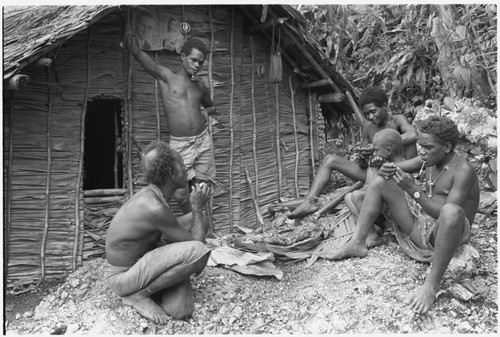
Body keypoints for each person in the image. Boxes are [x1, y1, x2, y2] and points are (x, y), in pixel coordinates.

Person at [325, 116, 479, 314]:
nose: (422, 151)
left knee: (451, 211)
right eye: (420, 146)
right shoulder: (430, 159)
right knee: (382, 182)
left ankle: (430, 286)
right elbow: (399, 168)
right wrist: (389, 168)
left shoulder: (463, 171)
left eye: (428, 147)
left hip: (448, 234)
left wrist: (414, 191)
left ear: (447, 147)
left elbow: (447, 217)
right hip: (424, 225)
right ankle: (358, 242)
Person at [105, 141, 212, 324]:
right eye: (181, 163)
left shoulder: (156, 195)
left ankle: (156, 288)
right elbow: (198, 250)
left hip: (142, 263)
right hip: (124, 277)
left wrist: (198, 216)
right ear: (171, 173)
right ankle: (138, 295)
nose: (186, 166)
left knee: (180, 310)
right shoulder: (154, 207)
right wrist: (197, 208)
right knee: (197, 249)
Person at [125, 34, 217, 231]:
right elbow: (147, 62)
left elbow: (212, 107)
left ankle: (206, 232)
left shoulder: (200, 86)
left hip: (202, 142)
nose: (197, 65)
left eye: (201, 62)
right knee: (181, 195)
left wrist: (205, 112)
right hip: (181, 144)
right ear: (182, 57)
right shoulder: (167, 77)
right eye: (193, 60)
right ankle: (194, 224)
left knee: (203, 190)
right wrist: (134, 49)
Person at [287, 86, 417, 219]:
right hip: (374, 173)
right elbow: (364, 165)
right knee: (329, 160)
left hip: (397, 173)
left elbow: (412, 135)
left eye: (373, 111)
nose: (370, 117)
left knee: (409, 143)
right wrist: (363, 158)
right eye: (366, 114)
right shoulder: (368, 127)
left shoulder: (397, 120)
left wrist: (378, 145)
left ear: (384, 105)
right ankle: (309, 202)